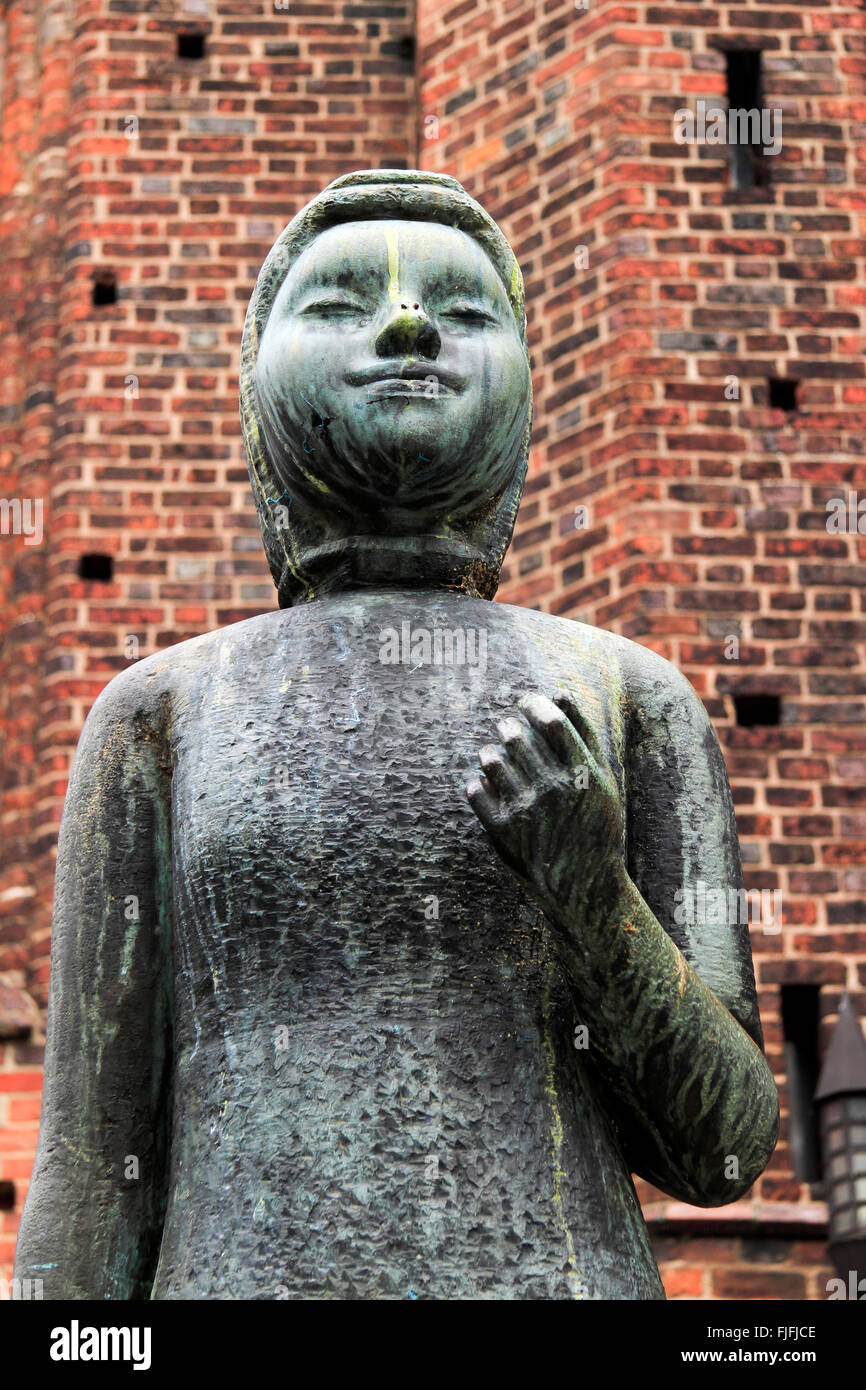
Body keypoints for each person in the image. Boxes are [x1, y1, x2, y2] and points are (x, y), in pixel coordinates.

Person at [15, 170, 778, 1299]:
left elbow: (718, 1150)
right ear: (255, 372)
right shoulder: (158, 713)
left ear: (526, 387)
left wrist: (590, 897)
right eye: (338, 304)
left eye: (464, 310)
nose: (408, 321)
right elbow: (92, 1166)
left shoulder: (627, 694)